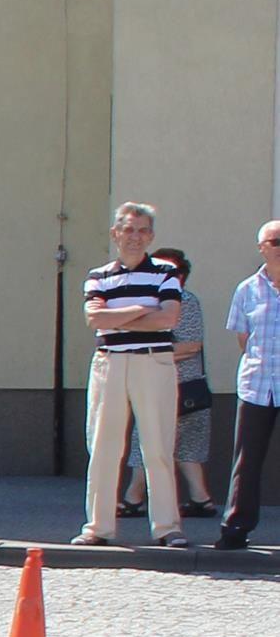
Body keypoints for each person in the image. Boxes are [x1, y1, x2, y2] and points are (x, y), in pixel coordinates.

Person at [77, 202, 183, 546]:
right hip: (110, 363)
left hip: (153, 362)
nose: (134, 237)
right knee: (104, 448)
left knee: (157, 447)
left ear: (150, 236)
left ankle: (168, 528)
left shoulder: (166, 272)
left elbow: (168, 318)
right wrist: (143, 309)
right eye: (128, 229)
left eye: (142, 230)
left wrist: (118, 314)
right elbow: (95, 319)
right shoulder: (98, 275)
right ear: (115, 234)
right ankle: (98, 528)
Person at [121, 245, 214, 524]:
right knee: (171, 444)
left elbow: (191, 345)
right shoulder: (148, 300)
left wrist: (148, 347)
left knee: (153, 440)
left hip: (180, 385)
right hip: (159, 381)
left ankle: (134, 498)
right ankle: (201, 499)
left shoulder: (186, 301)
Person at [217, 221, 280, 551]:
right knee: (247, 459)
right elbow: (244, 339)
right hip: (257, 384)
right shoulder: (247, 290)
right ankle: (235, 527)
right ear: (262, 248)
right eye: (278, 241)